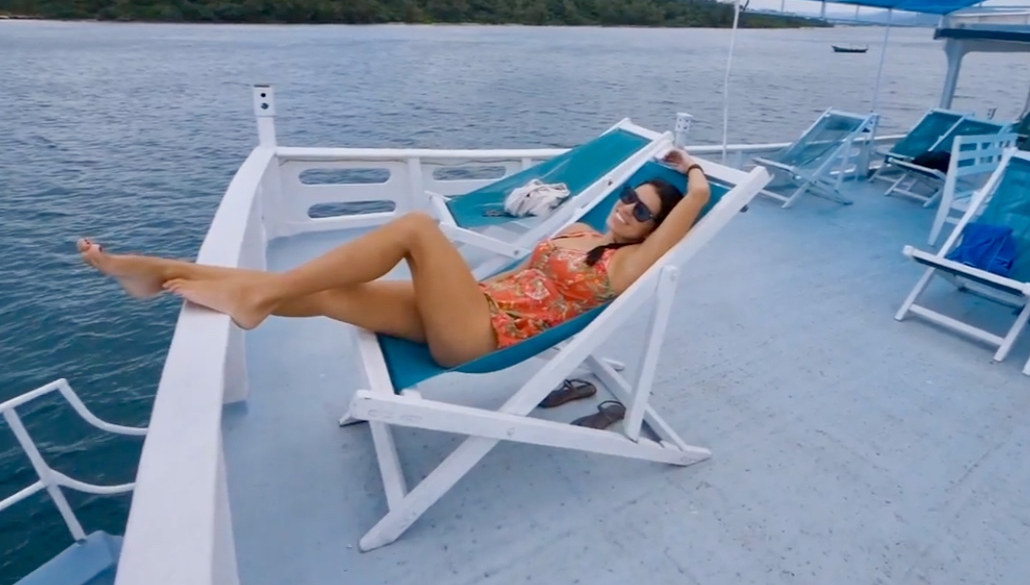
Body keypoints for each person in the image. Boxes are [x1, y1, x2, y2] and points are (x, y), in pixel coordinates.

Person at [77, 149, 710, 367]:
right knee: (326, 293)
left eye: (642, 212)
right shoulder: (580, 232)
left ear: (654, 231)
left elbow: (695, 205)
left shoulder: (627, 266)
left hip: (480, 336)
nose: (627, 209)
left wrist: (693, 175)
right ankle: (160, 271)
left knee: (415, 228)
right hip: (473, 305)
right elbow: (526, 270)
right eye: (629, 197)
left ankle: (257, 295)